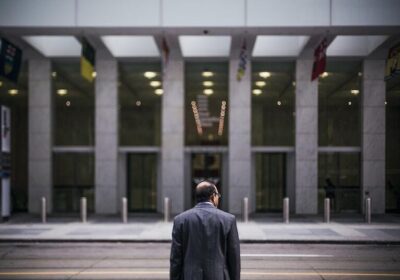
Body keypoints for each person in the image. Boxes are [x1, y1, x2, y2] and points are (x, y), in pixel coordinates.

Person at [170, 181, 241, 280]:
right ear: (213, 196)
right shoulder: (228, 220)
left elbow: (176, 259)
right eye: (218, 195)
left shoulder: (180, 220)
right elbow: (234, 260)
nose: (218, 198)